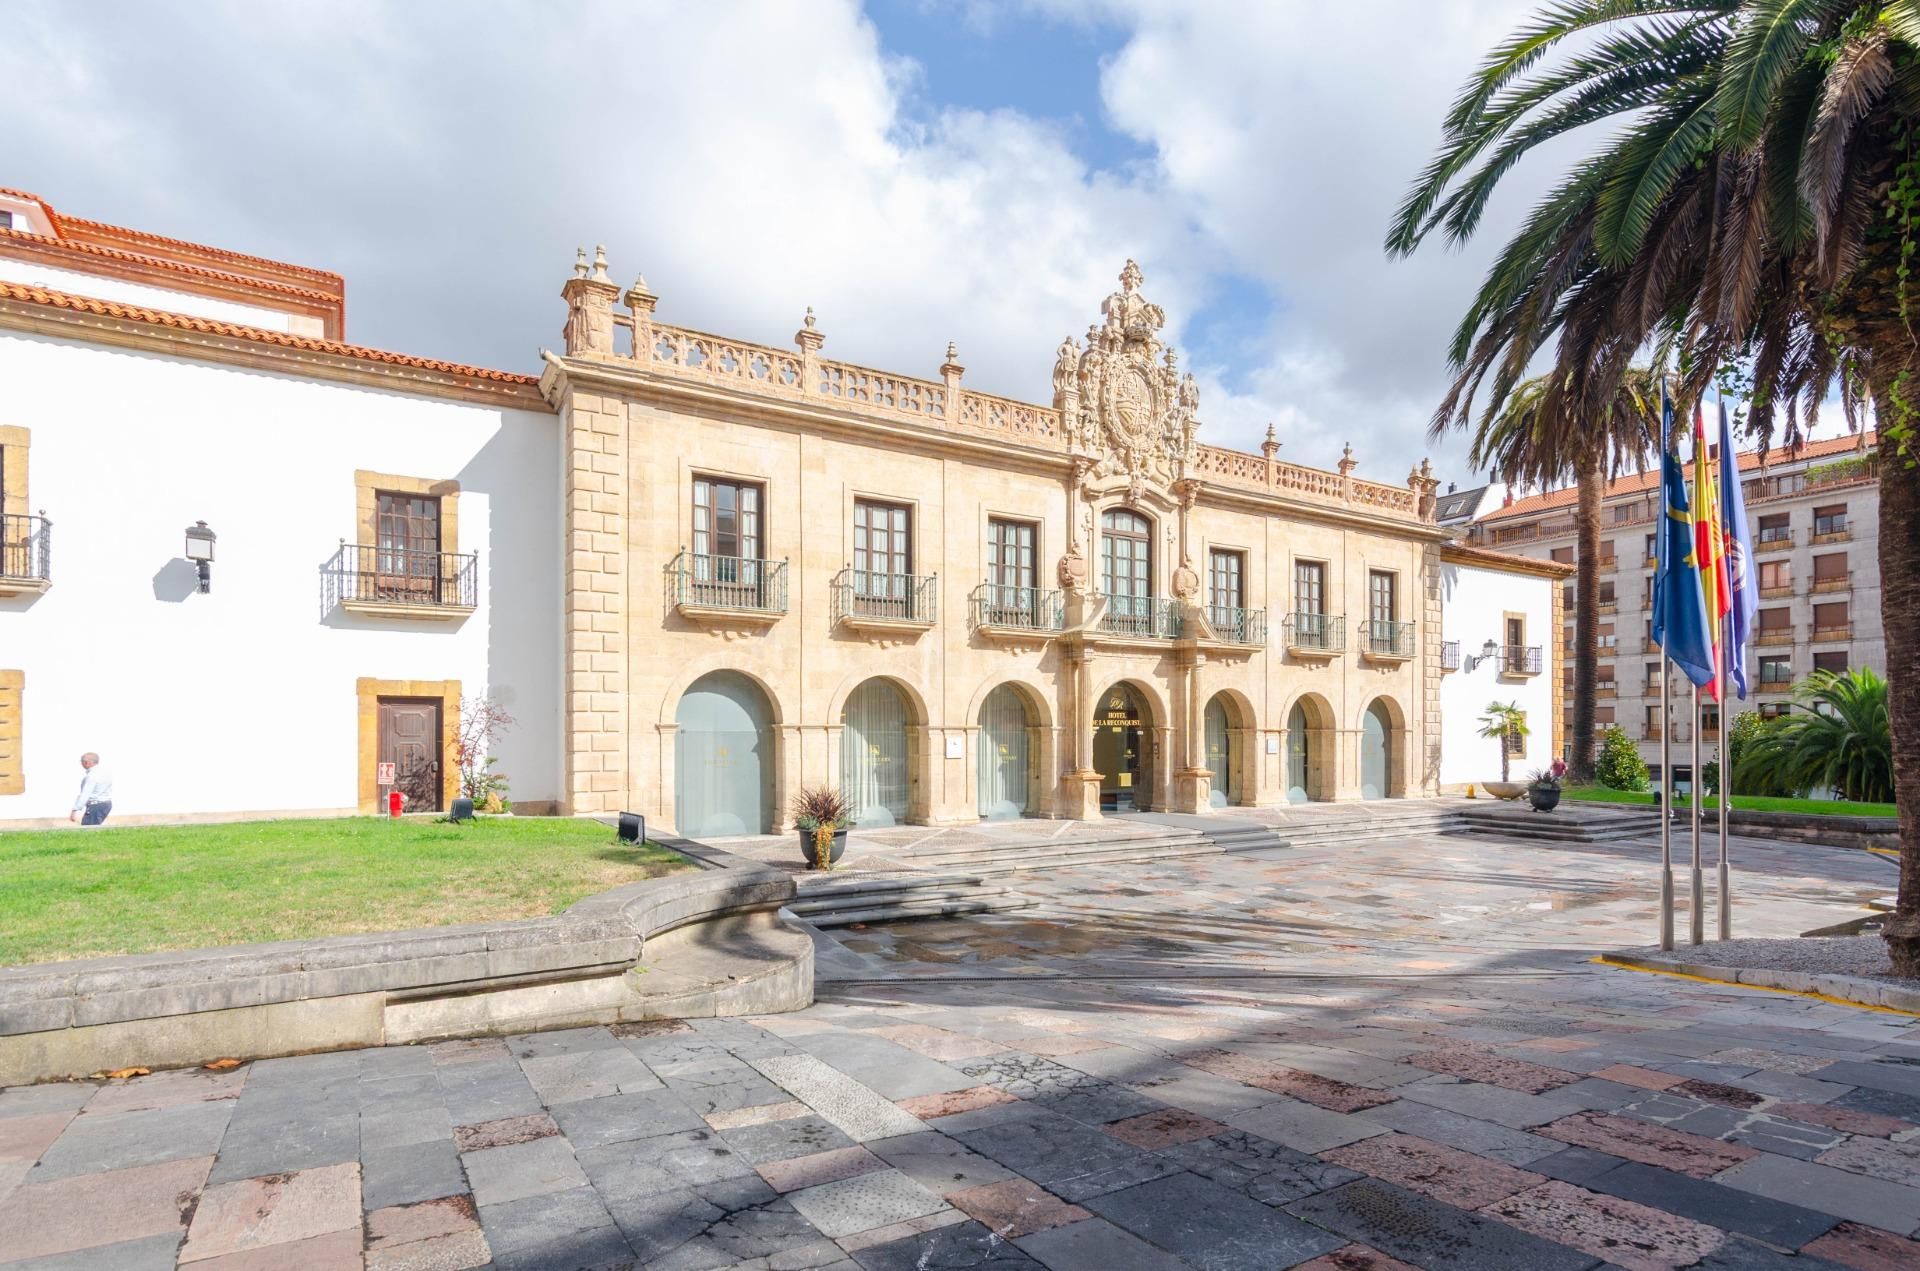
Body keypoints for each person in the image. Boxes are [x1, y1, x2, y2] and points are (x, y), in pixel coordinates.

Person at [71, 752, 113, 826]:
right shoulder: (106, 773)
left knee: (88, 829)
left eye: (81, 761)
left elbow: (85, 793)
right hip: (106, 804)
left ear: (86, 762)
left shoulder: (91, 776)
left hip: (95, 805)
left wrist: (75, 810)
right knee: (95, 827)